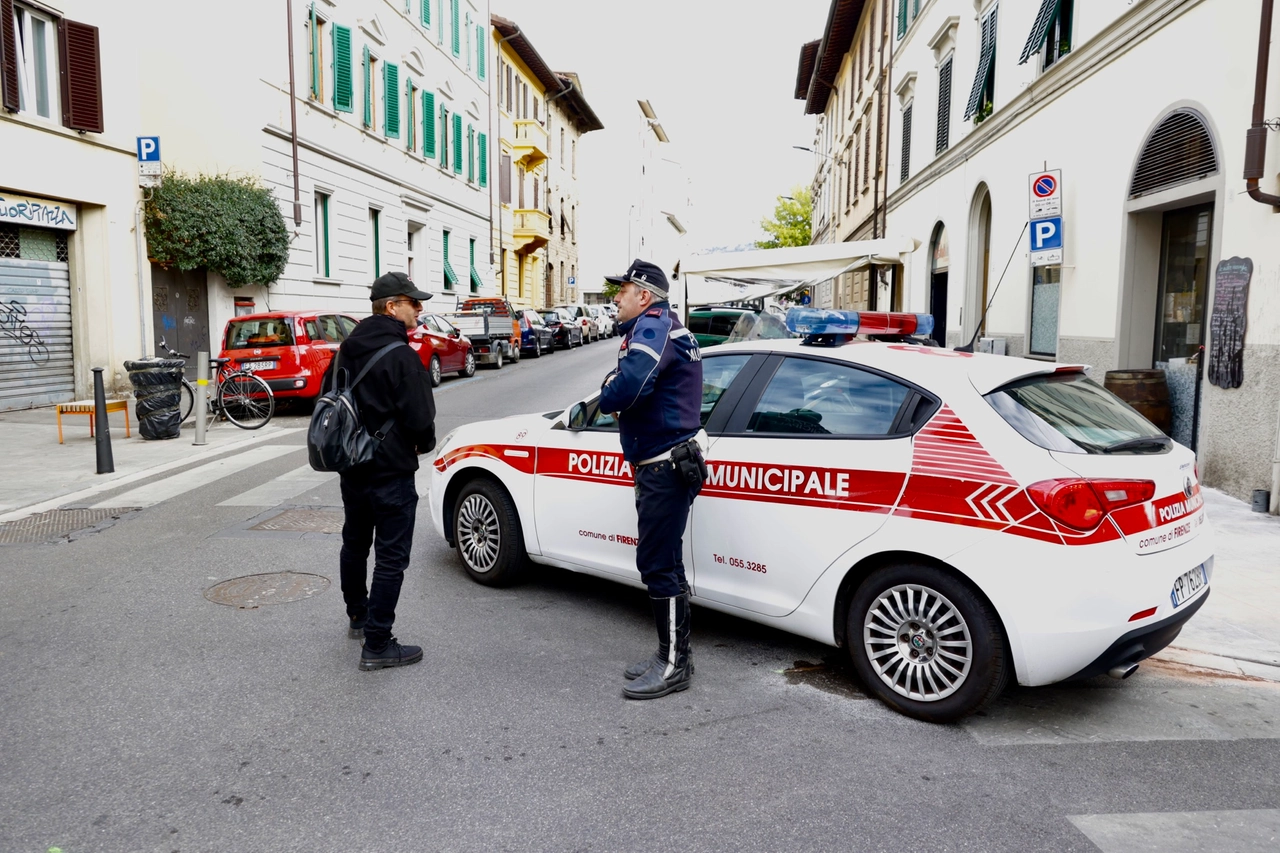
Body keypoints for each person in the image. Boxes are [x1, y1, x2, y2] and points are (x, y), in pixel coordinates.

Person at [599, 258, 706, 700]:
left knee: (659, 565)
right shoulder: (660, 326)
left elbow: (629, 385)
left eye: (621, 290)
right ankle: (672, 653)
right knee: (666, 563)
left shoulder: (653, 326)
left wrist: (609, 396)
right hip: (665, 462)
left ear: (644, 295)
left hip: (664, 465)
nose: (616, 298)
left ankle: (673, 665)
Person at [331, 271, 437, 671]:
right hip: (390, 470)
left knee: (355, 542)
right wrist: (422, 445)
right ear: (392, 307)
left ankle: (358, 616)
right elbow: (421, 418)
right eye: (413, 302)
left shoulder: (345, 349)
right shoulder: (402, 356)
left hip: (352, 466)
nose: (420, 308)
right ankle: (378, 642)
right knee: (392, 557)